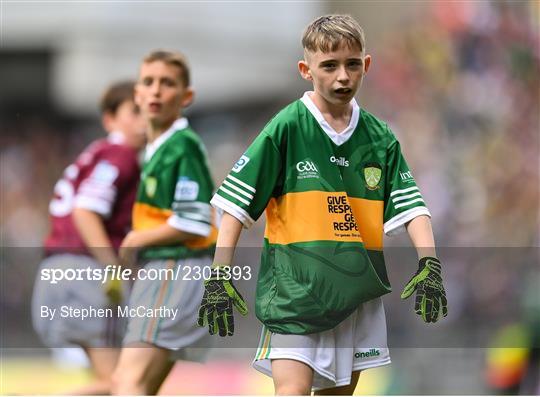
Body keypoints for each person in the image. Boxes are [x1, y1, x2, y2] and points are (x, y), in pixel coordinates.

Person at [198, 14, 448, 395]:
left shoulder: (380, 138)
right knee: (292, 391)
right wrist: (219, 274)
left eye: (351, 64)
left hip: (355, 297)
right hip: (294, 294)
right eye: (329, 66)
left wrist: (429, 263)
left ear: (366, 64)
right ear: (306, 69)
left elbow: (412, 208)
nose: (342, 76)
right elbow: (235, 204)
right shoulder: (287, 126)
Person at [111, 50, 217, 395]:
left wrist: (135, 241)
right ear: (137, 94)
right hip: (173, 272)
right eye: (149, 82)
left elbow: (196, 220)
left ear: (186, 97)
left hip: (174, 268)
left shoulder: (181, 146)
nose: (156, 91)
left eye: (167, 83)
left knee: (128, 382)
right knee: (137, 384)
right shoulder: (156, 149)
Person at [32, 80, 145, 394]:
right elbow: (85, 211)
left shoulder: (95, 153)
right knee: (119, 382)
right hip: (85, 271)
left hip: (54, 271)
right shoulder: (120, 155)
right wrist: (114, 266)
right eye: (134, 111)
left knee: (106, 379)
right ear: (110, 119)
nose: (144, 119)